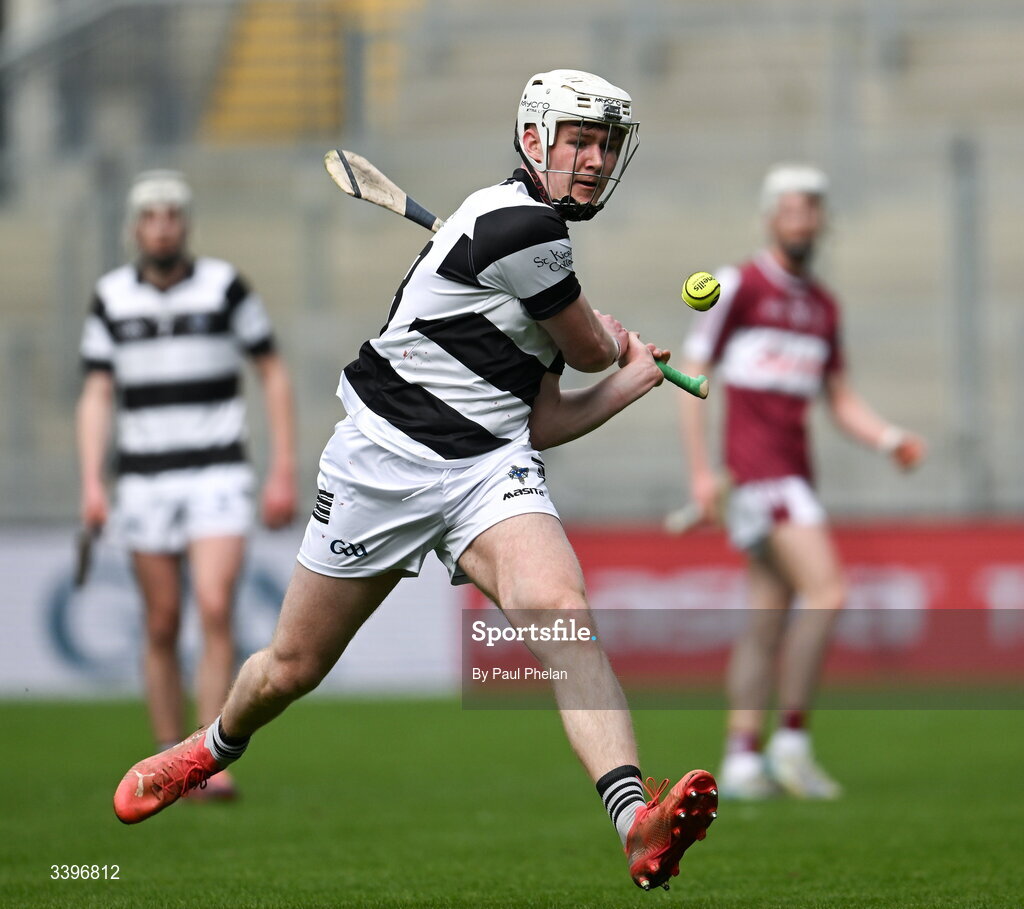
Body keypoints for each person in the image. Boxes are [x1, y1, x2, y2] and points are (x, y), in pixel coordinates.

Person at [111, 71, 718, 890]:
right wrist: (609, 346)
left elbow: (539, 420)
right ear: (535, 140)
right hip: (381, 463)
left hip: (486, 470)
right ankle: (207, 748)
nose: (597, 158)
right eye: (580, 139)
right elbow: (582, 349)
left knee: (564, 616)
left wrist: (629, 381)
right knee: (291, 667)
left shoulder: (536, 246)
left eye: (607, 144)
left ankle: (634, 823)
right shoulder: (517, 228)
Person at [677, 164, 926, 800]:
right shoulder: (739, 285)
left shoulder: (822, 307)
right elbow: (691, 378)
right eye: (790, 209)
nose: (802, 220)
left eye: (811, 209)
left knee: (767, 618)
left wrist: (889, 438)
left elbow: (839, 400)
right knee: (829, 591)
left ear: (821, 221)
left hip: (792, 475)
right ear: (771, 217)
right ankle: (789, 743)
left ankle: (738, 760)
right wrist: (702, 473)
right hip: (762, 478)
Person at [78, 170, 298, 800]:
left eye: (173, 215)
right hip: (144, 479)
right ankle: (163, 763)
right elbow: (96, 393)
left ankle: (206, 759)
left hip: (218, 471)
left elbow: (272, 373)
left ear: (186, 223)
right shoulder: (112, 297)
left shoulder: (225, 287)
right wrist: (92, 482)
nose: (163, 226)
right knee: (161, 622)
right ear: (135, 227)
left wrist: (282, 466)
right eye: (151, 216)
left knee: (212, 607)